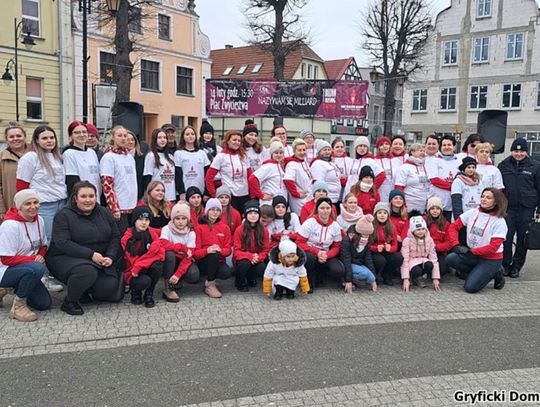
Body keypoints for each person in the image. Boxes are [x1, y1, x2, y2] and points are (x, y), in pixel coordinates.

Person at [46, 181, 124, 315]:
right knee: (86, 271)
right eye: (83, 196)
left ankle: (83, 290)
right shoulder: (63, 215)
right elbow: (63, 243)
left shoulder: (104, 212)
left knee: (108, 288)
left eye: (91, 196)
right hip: (64, 257)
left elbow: (115, 237)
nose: (88, 200)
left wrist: (110, 256)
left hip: (98, 258)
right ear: (75, 198)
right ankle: (70, 301)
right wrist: (91, 255)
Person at [0, 190, 51, 321]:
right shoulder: (10, 225)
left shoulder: (39, 219)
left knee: (43, 304)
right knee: (37, 268)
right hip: (5, 269)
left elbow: (43, 246)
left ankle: (12, 287)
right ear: (19, 207)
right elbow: (6, 258)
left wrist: (40, 255)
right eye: (28, 203)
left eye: (36, 202)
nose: (33, 206)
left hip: (27, 268)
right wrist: (33, 259)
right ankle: (18, 306)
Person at [447, 188, 508, 293]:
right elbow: (453, 227)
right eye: (482, 196)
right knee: (450, 259)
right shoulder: (472, 212)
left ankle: (495, 272)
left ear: (496, 202)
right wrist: (456, 245)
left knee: (470, 288)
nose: (484, 199)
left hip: (490, 259)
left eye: (488, 198)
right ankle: (479, 273)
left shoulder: (500, 221)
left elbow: (493, 248)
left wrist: (471, 252)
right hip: (473, 254)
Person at [16, 125, 67, 242]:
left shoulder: (58, 156)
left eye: (52, 137)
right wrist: (25, 207)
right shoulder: (30, 158)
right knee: (46, 238)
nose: (49, 141)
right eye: (44, 138)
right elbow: (21, 185)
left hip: (62, 203)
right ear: (37, 140)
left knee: (61, 238)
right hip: (44, 206)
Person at [498, 137, 540, 278]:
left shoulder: (535, 166)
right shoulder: (503, 165)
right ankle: (505, 264)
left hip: (526, 208)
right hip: (508, 208)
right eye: (516, 151)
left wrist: (539, 210)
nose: (519, 154)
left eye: (522, 151)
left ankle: (516, 266)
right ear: (512, 151)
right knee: (507, 237)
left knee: (523, 239)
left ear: (526, 152)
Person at [297, 197, 344, 292]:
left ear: (331, 210)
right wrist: (317, 252)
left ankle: (321, 275)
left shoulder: (335, 226)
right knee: (310, 259)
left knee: (338, 270)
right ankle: (307, 280)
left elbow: (336, 246)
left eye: (328, 208)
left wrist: (327, 255)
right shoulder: (309, 223)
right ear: (317, 209)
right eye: (322, 208)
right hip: (310, 251)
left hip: (326, 253)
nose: (325, 211)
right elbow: (299, 242)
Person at [121, 205, 165, 307]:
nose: (144, 222)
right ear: (134, 221)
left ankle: (149, 294)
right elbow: (133, 262)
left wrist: (142, 263)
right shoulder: (127, 238)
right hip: (132, 271)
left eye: (147, 219)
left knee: (158, 265)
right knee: (145, 280)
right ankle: (135, 293)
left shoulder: (151, 233)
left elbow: (161, 253)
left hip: (142, 266)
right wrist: (150, 256)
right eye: (140, 219)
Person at [100, 125, 137, 234]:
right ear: (113, 138)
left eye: (125, 135)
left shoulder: (130, 157)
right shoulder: (108, 157)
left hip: (132, 205)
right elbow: (107, 185)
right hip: (119, 207)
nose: (123, 138)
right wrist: (114, 207)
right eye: (119, 135)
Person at [193, 198, 233, 298]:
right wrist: (207, 250)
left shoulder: (225, 227)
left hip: (219, 259)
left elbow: (228, 249)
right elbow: (195, 253)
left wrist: (221, 250)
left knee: (226, 272)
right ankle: (210, 284)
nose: (215, 213)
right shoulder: (199, 228)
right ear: (207, 211)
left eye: (218, 210)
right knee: (213, 254)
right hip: (203, 261)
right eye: (212, 209)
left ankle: (211, 279)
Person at [205, 130, 252, 212]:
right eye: (234, 140)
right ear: (227, 141)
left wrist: (252, 194)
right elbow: (209, 177)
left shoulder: (244, 156)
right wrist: (214, 194)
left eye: (239, 141)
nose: (237, 142)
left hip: (245, 195)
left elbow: (250, 176)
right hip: (230, 196)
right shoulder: (220, 157)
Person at [160, 202, 198, 302]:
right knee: (169, 254)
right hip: (169, 260)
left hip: (183, 261)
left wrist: (178, 274)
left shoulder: (191, 233)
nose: (180, 222)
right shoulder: (166, 229)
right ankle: (168, 287)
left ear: (188, 219)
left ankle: (178, 280)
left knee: (194, 275)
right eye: (177, 218)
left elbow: (189, 256)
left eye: (183, 218)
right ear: (173, 219)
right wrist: (182, 248)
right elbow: (163, 245)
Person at [233, 201, 270, 291]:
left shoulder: (264, 230)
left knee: (262, 267)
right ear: (245, 215)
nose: (253, 215)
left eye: (255, 213)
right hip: (243, 258)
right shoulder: (239, 230)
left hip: (257, 257)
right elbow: (237, 251)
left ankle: (251, 278)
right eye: (250, 213)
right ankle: (239, 282)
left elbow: (265, 249)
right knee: (244, 264)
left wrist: (258, 257)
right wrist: (250, 256)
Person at [400, 216, 441, 292]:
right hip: (411, 262)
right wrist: (405, 279)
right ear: (413, 230)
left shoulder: (429, 240)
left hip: (423, 260)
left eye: (423, 229)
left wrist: (435, 278)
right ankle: (412, 277)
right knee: (416, 270)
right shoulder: (407, 240)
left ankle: (419, 277)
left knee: (430, 264)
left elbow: (434, 259)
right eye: (418, 229)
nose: (421, 231)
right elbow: (404, 260)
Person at [63, 121, 101, 198]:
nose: (82, 135)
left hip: (95, 196)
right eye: (77, 133)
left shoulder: (92, 153)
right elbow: (72, 182)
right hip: (82, 199)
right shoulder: (69, 154)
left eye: (84, 132)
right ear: (71, 136)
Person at [341, 214, 377, 294]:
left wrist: (374, 280)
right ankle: (346, 280)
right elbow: (346, 259)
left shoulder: (367, 240)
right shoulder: (348, 240)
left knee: (371, 277)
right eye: (363, 235)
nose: (365, 237)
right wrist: (348, 280)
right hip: (348, 263)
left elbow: (368, 258)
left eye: (368, 235)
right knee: (364, 274)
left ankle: (357, 280)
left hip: (358, 263)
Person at [427, 135, 459, 220]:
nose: (446, 147)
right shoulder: (435, 161)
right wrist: (454, 187)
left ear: (454, 147)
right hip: (436, 205)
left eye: (449, 145)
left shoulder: (459, 161)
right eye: (444, 145)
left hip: (451, 204)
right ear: (440, 147)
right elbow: (434, 180)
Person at [370, 202, 403, 286]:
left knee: (398, 257)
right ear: (375, 214)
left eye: (384, 213)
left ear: (388, 215)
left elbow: (395, 245)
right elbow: (367, 245)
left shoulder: (392, 227)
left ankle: (387, 275)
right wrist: (376, 248)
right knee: (380, 260)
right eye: (379, 213)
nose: (382, 215)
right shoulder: (371, 226)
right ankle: (375, 275)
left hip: (386, 251)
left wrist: (390, 248)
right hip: (375, 252)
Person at [174, 125, 210, 201]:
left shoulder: (202, 153)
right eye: (187, 134)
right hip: (185, 193)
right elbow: (178, 175)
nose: (190, 136)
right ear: (183, 137)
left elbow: (208, 174)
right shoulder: (178, 153)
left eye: (192, 134)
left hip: (200, 193)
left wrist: (207, 192)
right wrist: (181, 192)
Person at [0, 122, 27, 220]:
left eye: (19, 135)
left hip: (35, 205)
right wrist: (1, 209)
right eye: (11, 137)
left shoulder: (35, 155)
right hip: (11, 206)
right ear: (7, 140)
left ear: (25, 137)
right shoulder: (1, 158)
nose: (15, 138)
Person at [143, 128, 176, 203]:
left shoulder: (170, 157)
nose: (162, 140)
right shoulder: (151, 156)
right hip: (157, 198)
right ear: (155, 139)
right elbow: (147, 178)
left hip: (171, 196)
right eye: (159, 137)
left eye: (164, 137)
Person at [394, 143, 430, 213]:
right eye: (420, 150)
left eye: (423, 151)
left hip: (424, 204)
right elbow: (399, 188)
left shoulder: (426, 166)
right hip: (410, 204)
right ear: (412, 152)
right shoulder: (404, 167)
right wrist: (403, 205)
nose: (423, 153)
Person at [248, 141, 286, 206]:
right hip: (269, 203)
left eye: (281, 153)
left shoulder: (278, 165)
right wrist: (261, 195)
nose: (279, 155)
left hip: (278, 203)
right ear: (271, 154)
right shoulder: (268, 166)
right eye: (276, 153)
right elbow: (252, 179)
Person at [425, 196, 452, 277]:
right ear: (428, 210)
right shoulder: (423, 220)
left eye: (437, 208)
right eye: (432, 208)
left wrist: (436, 247)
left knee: (442, 271)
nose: (435, 211)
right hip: (423, 250)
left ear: (441, 210)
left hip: (438, 251)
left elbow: (449, 242)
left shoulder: (446, 224)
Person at [284, 138, 313, 214]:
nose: (302, 152)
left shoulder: (305, 162)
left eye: (304, 150)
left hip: (308, 197)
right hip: (299, 200)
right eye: (299, 150)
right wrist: (296, 194)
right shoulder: (291, 164)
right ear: (294, 151)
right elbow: (288, 181)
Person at [310, 139, 342, 204]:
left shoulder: (331, 163)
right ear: (319, 152)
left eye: (329, 149)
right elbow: (318, 183)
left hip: (335, 198)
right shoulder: (318, 164)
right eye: (324, 150)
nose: (327, 152)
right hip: (326, 199)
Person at [374, 136, 397, 202]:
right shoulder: (374, 161)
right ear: (378, 148)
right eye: (381, 145)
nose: (384, 146)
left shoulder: (396, 161)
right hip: (380, 190)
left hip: (393, 190)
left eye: (387, 144)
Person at [126, 131, 147, 200]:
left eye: (132, 140)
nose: (130, 142)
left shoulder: (142, 157)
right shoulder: (118, 157)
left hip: (139, 194)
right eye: (128, 140)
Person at [331, 137, 352, 202]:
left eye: (341, 147)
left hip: (346, 188)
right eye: (337, 147)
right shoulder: (329, 160)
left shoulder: (350, 161)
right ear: (332, 149)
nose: (340, 149)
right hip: (333, 190)